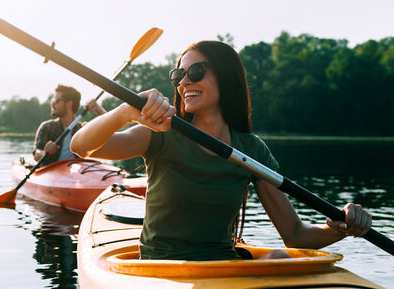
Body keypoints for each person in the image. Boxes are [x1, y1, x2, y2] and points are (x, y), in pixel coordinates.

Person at [70, 41, 372, 261]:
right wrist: (125, 111)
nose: (185, 81)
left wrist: (342, 227)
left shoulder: (252, 151)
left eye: (196, 71)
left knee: (279, 256)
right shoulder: (160, 133)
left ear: (225, 77)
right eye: (179, 76)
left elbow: (294, 234)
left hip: (223, 268)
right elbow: (81, 146)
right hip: (161, 270)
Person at [33, 84, 105, 167]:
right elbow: (36, 155)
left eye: (56, 100)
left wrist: (98, 109)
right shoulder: (47, 127)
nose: (52, 104)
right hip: (50, 173)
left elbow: (111, 130)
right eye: (52, 100)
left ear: (69, 104)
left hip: (75, 175)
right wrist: (45, 152)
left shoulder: (83, 129)